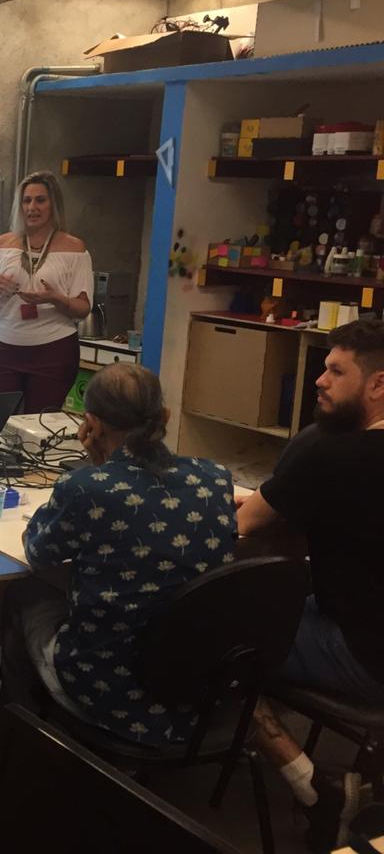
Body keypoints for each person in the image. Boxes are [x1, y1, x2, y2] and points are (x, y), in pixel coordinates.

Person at [2, 363, 237, 746]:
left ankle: (19, 742)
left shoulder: (86, 488)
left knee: (22, 595)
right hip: (194, 680)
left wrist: (94, 470)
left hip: (108, 683)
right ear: (165, 416)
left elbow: (38, 552)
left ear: (90, 423)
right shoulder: (214, 477)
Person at [235, 318, 384, 849]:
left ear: (378, 384)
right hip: (363, 625)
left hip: (364, 655)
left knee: (210, 632)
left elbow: (244, 524)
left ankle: (313, 784)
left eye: (336, 371)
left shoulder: (332, 452)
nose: (319, 380)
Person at [0, 170, 93, 413]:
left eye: (40, 200)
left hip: (54, 350)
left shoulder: (74, 248)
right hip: (5, 347)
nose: (32, 207)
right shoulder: (0, 246)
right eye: (26, 200)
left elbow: (83, 307)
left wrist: (54, 298)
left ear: (53, 204)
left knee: (40, 427)